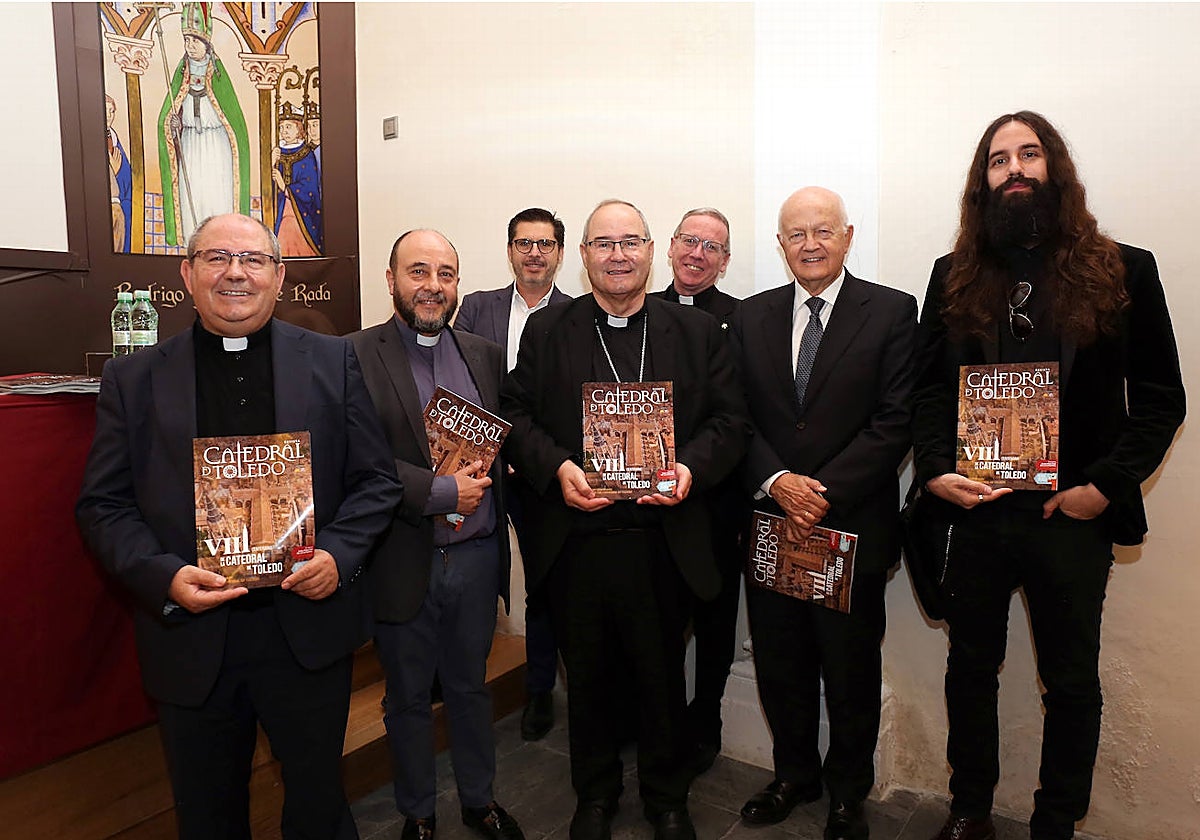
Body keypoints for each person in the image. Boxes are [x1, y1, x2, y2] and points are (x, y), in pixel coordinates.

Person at [76, 213, 403, 839]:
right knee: (207, 815)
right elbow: (102, 505)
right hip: (193, 642)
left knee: (316, 808)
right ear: (187, 273)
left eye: (253, 260)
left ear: (279, 277)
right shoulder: (135, 378)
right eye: (216, 257)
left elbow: (377, 481)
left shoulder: (333, 361)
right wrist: (164, 576)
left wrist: (337, 553)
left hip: (305, 634)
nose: (235, 272)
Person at [913, 111, 1185, 840]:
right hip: (976, 513)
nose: (1016, 170)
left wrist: (1106, 486)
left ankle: (1055, 822)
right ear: (984, 183)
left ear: (1054, 168)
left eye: (1028, 154)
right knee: (969, 669)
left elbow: (1162, 400)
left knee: (1069, 684)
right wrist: (937, 471)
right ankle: (969, 809)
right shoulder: (952, 276)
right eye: (999, 161)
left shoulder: (1126, 268)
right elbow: (930, 390)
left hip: (1069, 517)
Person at [501, 200, 748, 840]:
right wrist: (557, 469)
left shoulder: (695, 333)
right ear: (583, 256)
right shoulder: (549, 331)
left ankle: (667, 798)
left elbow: (730, 422)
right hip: (578, 537)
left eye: (629, 242)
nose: (618, 254)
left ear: (650, 251)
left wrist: (691, 468)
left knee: (664, 674)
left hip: (663, 540)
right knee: (587, 676)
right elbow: (515, 417)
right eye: (603, 243)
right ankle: (595, 794)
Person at [732, 187, 917, 840]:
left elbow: (896, 422)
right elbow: (736, 418)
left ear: (847, 235)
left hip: (851, 527)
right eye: (795, 234)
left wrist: (819, 492)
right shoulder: (750, 318)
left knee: (849, 671)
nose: (809, 243)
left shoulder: (893, 312)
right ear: (780, 245)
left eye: (823, 231)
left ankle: (846, 793)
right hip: (772, 525)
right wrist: (779, 481)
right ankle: (793, 775)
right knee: (780, 666)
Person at [350, 230, 524, 840]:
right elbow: (357, 457)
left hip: (476, 557)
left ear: (458, 283)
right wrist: (443, 492)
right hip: (404, 558)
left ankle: (480, 801)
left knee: (471, 689)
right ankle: (418, 813)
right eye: (418, 271)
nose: (432, 285)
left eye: (445, 273)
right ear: (391, 277)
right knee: (405, 699)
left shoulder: (482, 353)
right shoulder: (354, 354)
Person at [455, 207, 572, 741]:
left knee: (545, 585)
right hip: (478, 472)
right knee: (468, 574)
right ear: (510, 251)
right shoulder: (476, 309)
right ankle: (455, 679)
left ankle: (538, 691)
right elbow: (453, 383)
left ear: (560, 254)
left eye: (544, 244)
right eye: (524, 243)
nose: (534, 253)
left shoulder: (577, 315)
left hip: (539, 476)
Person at [651, 207, 743, 776]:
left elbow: (740, 414)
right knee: (656, 624)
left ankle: (705, 721)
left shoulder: (745, 319)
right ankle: (655, 722)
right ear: (670, 246)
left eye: (712, 248)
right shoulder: (639, 308)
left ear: (725, 262)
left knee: (713, 623)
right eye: (690, 241)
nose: (697, 254)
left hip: (715, 504)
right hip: (651, 508)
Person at [157, 2, 251, 246]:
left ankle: (222, 241)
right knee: (194, 197)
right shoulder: (181, 72)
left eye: (194, 41)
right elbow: (169, 112)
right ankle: (194, 241)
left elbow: (232, 118)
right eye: (186, 41)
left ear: (206, 43)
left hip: (216, 146)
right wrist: (173, 122)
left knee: (215, 191)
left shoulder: (217, 73)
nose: (189, 46)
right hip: (190, 144)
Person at [272, 103, 322, 256]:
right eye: (281, 128)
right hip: (281, 209)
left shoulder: (307, 154)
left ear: (299, 129)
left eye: (288, 127)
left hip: (301, 213)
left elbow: (310, 188)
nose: (284, 132)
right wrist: (271, 162)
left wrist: (285, 187)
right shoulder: (278, 152)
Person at [105, 94, 132, 253]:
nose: (109, 115)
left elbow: (125, 170)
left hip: (120, 201)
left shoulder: (113, 138)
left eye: (112, 111)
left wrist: (118, 171)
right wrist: (112, 171)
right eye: (105, 110)